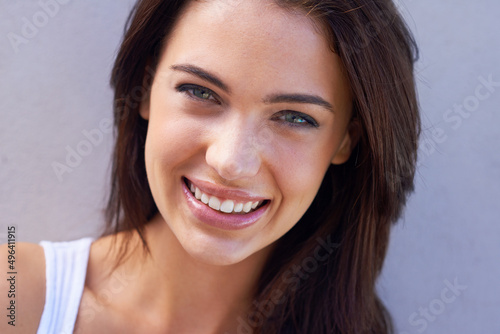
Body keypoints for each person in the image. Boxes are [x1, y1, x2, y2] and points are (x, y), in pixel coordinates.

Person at [1, 0, 420, 333]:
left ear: (345, 140)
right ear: (145, 89)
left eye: (295, 117)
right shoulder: (14, 296)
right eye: (200, 91)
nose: (231, 162)